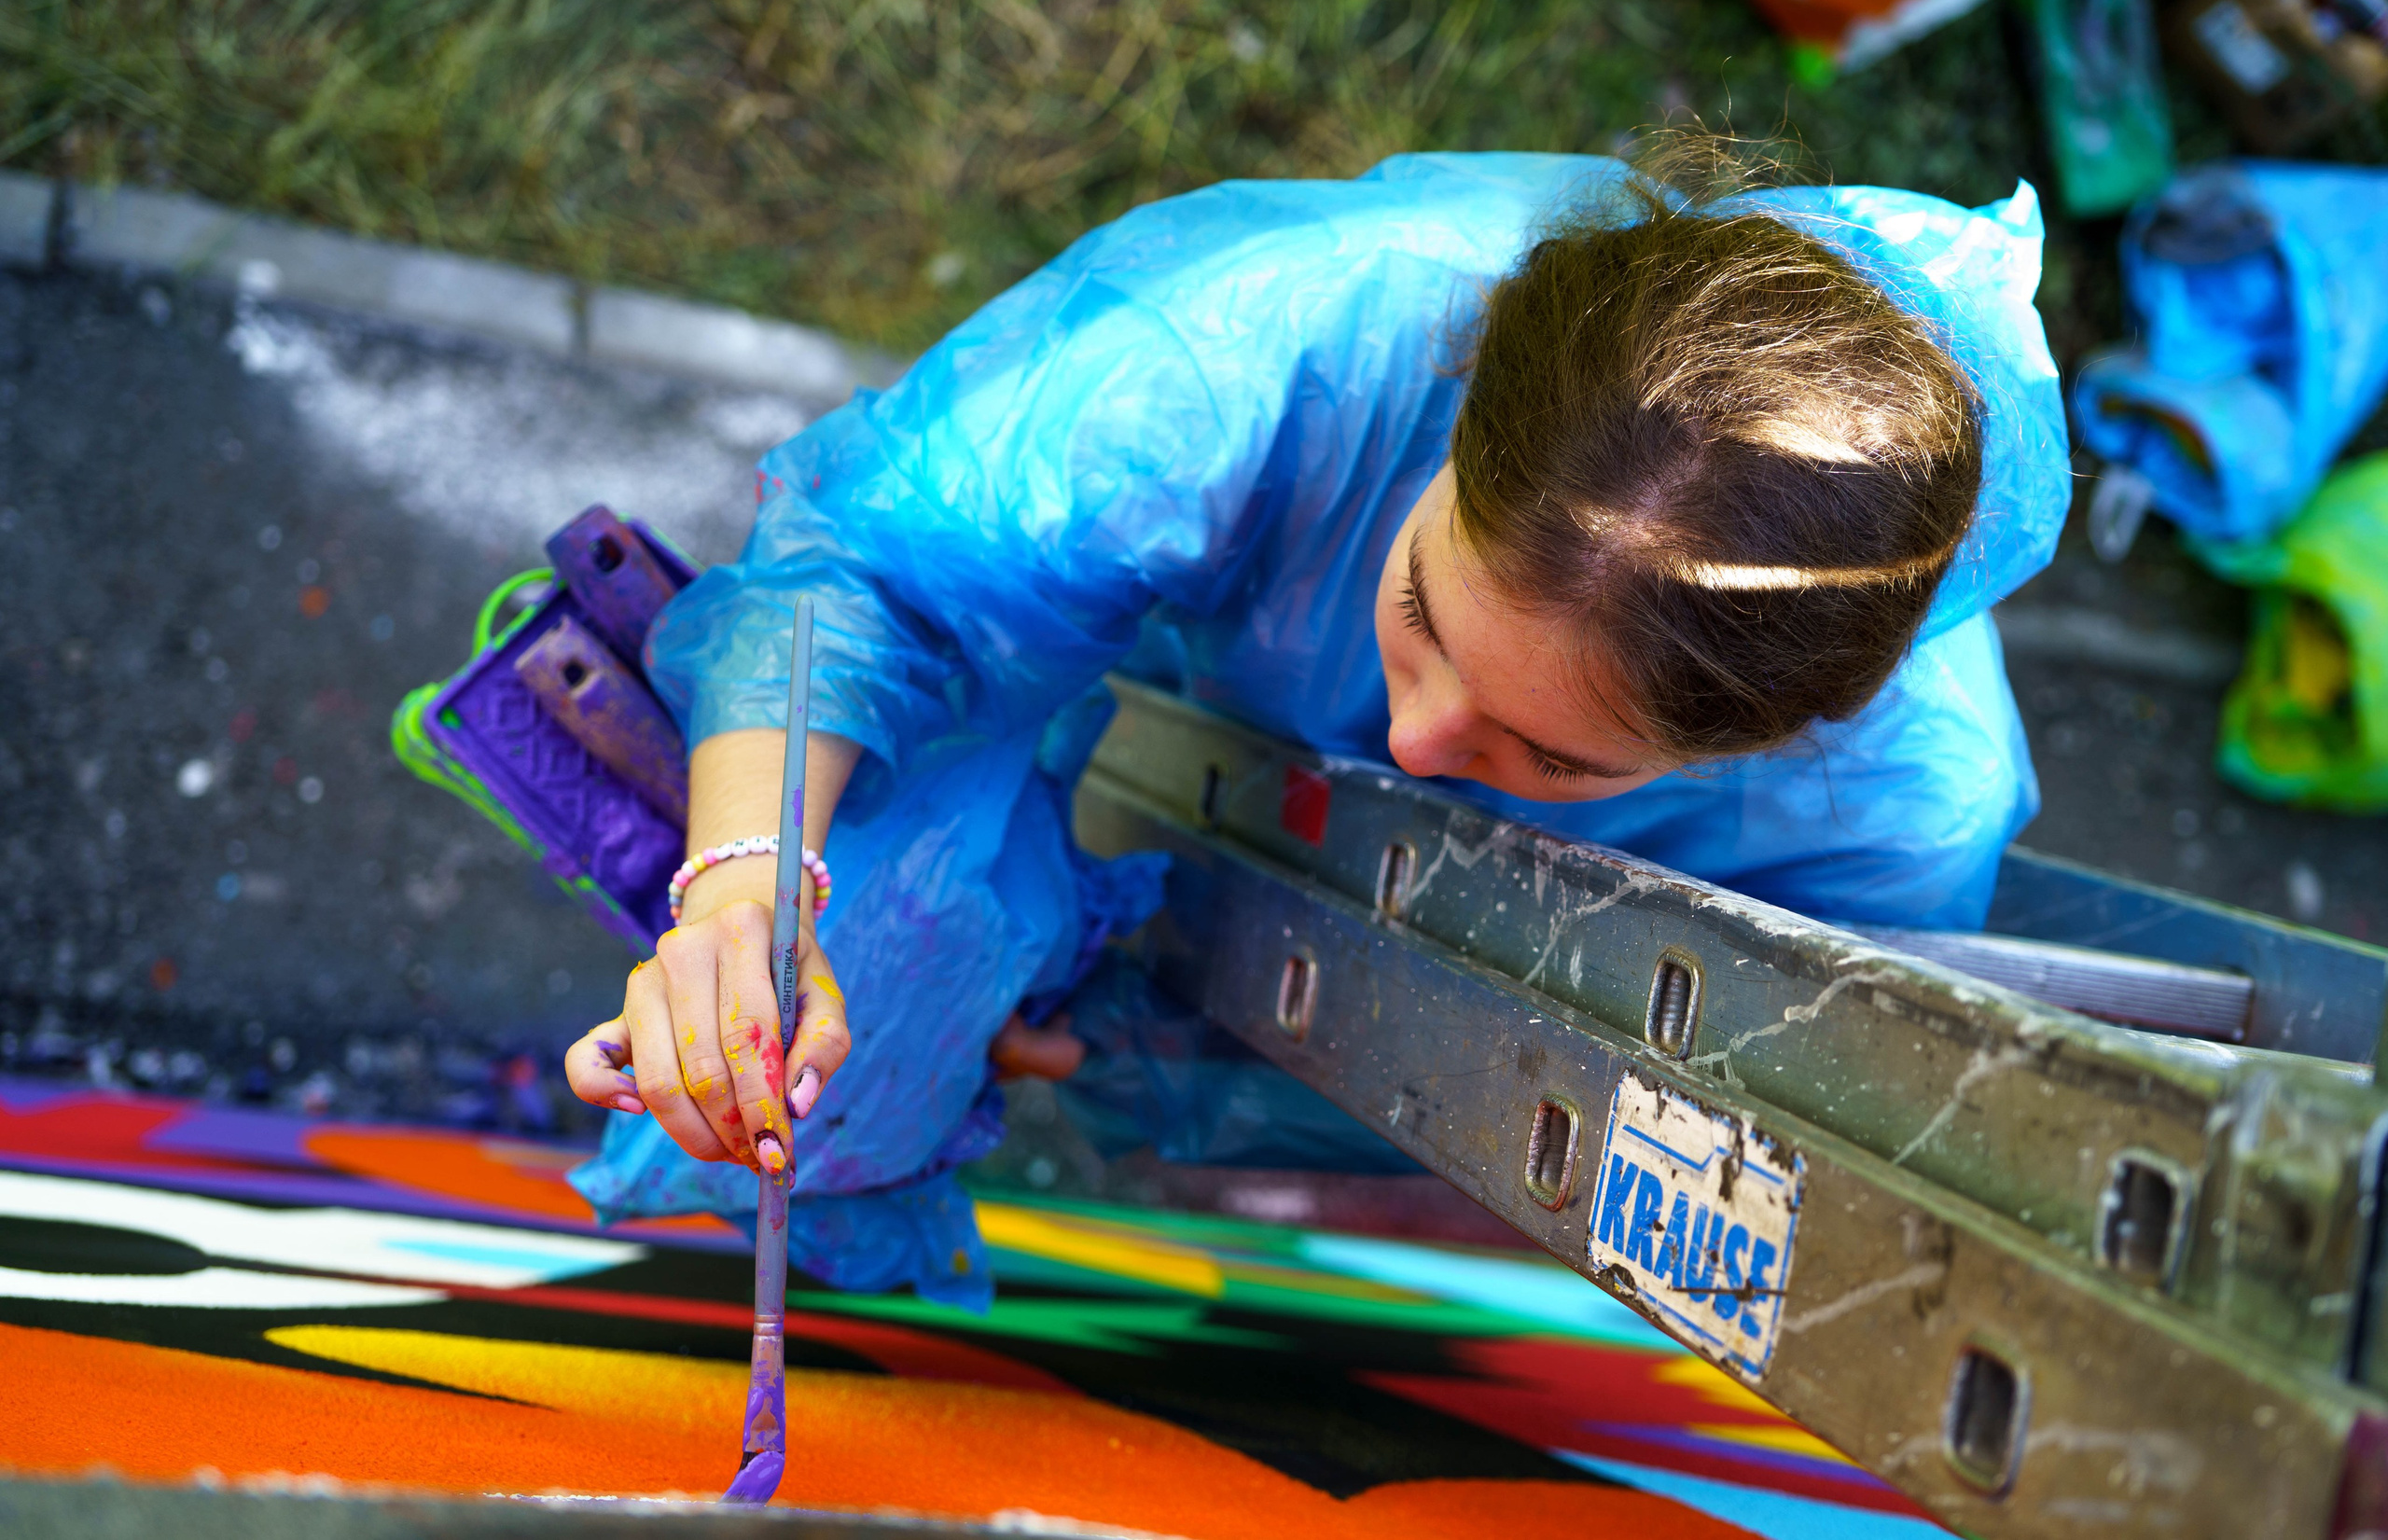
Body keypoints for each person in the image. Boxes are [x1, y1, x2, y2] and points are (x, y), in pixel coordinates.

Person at [562, 134, 2068, 1308]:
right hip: (1163, 693)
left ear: (1786, 741)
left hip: (1337, 954)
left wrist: (1144, 1038)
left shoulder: (1900, 823)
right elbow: (878, 573)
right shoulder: (1302, 333)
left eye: (1554, 757)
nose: (1417, 745)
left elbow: (1651, 1141)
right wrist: (748, 887)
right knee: (878, 924)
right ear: (1459, 407)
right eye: (1421, 612)